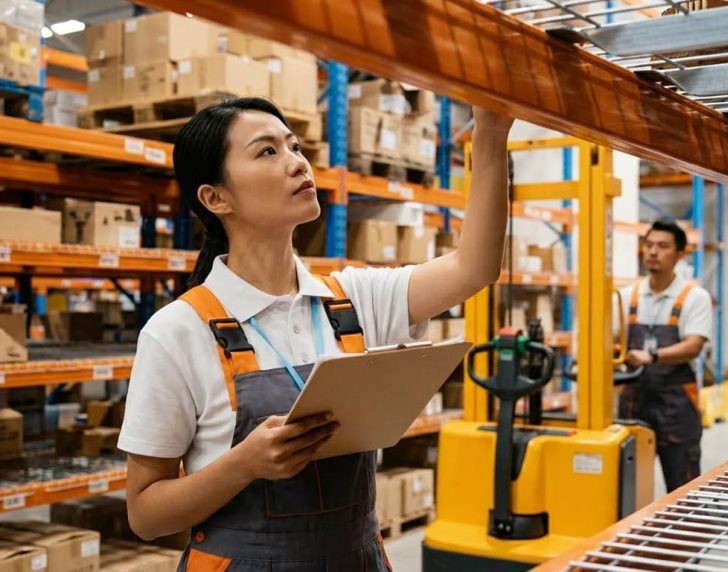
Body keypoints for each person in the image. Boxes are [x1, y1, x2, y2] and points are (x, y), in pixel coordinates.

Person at [118, 97, 512, 570]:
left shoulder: (352, 302)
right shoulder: (177, 332)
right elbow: (144, 514)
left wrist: (490, 133)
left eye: (295, 146)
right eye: (267, 152)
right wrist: (244, 464)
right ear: (215, 198)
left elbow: (474, 267)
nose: (297, 163)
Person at [618, 219, 712, 493]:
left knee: (683, 484)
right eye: (648, 245)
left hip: (676, 405)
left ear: (679, 255)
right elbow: (608, 341)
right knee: (627, 486)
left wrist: (652, 356)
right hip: (634, 401)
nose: (652, 252)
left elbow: (693, 346)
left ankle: (688, 535)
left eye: (662, 246)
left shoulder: (695, 297)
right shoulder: (627, 296)